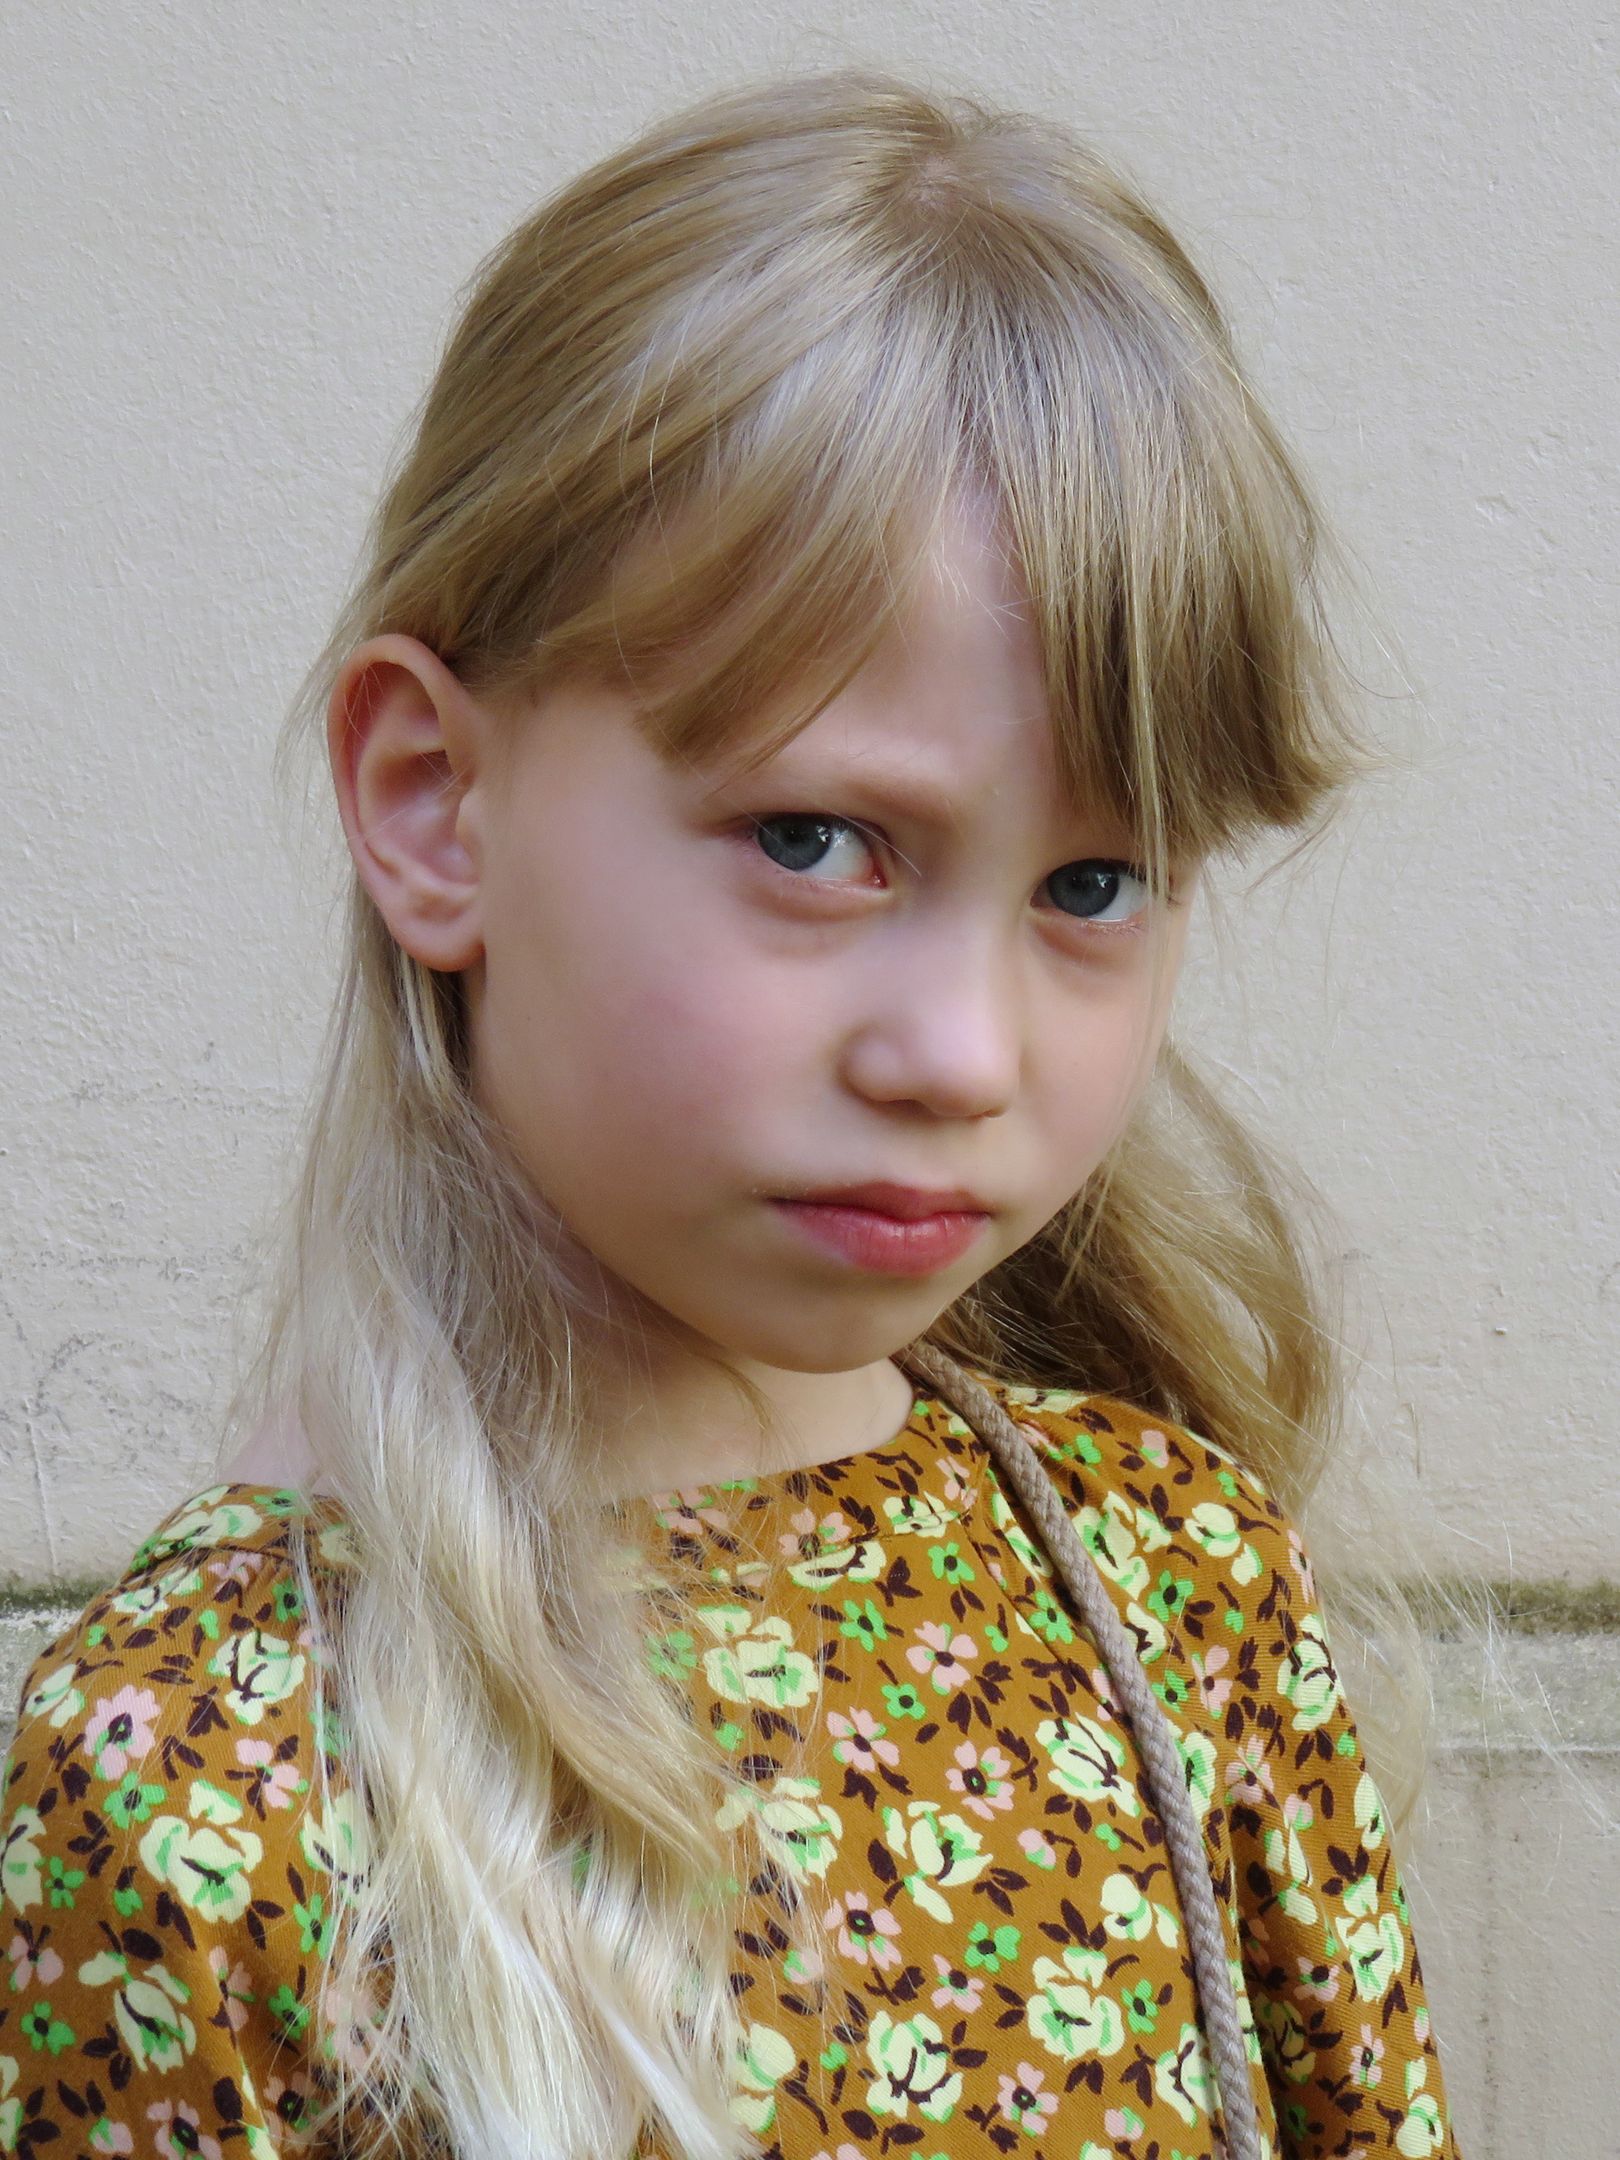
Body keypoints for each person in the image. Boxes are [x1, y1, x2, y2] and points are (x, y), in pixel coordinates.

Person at [0, 66, 1462, 2160]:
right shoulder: (204, 1780)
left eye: (1092, 885)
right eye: (814, 842)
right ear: (433, 804)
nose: (961, 1054)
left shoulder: (1181, 1595)